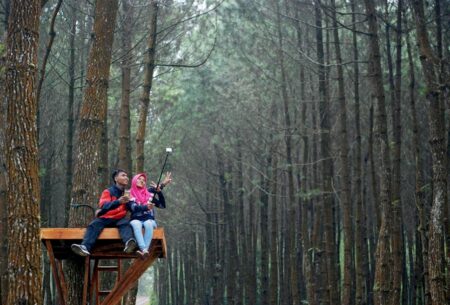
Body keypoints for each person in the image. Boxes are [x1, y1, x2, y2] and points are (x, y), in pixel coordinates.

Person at [71, 169, 137, 256]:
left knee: (126, 223)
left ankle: (129, 243)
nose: (127, 178)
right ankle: (85, 247)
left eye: (127, 176)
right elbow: (104, 205)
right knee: (94, 224)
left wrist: (132, 203)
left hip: (119, 219)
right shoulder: (108, 191)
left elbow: (133, 207)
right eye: (123, 175)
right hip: (106, 217)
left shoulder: (128, 193)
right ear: (116, 178)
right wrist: (118, 202)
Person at [128, 172, 172, 257]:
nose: (142, 181)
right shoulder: (129, 194)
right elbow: (133, 207)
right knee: (136, 223)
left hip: (149, 220)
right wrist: (146, 207)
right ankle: (144, 249)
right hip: (135, 219)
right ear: (134, 181)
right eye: (139, 179)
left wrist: (159, 192)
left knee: (148, 223)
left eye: (144, 180)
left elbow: (162, 205)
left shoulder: (148, 194)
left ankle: (144, 250)